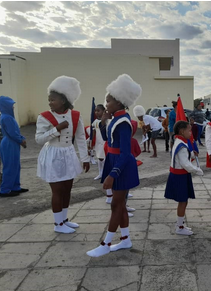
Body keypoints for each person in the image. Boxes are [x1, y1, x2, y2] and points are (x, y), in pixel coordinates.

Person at [87, 74, 142, 257]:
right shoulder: (116, 118)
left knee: (116, 205)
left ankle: (106, 243)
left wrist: (112, 174)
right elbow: (109, 139)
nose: (105, 104)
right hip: (114, 162)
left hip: (121, 166)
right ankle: (125, 240)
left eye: (108, 101)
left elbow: (126, 153)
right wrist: (104, 120)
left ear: (119, 102)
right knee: (119, 205)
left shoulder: (123, 122)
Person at [35, 76, 90, 233]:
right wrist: (56, 129)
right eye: (49, 100)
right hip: (53, 155)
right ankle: (58, 224)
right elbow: (39, 139)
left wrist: (85, 158)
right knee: (57, 190)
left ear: (64, 101)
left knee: (67, 188)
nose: (50, 103)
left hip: (68, 154)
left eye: (53, 100)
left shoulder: (75, 115)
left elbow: (80, 138)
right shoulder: (44, 116)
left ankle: (64, 219)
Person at [164, 120, 204, 236]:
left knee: (184, 201)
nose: (191, 133)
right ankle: (179, 227)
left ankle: (180, 224)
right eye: (189, 130)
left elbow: (184, 155)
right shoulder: (181, 145)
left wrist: (192, 154)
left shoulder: (180, 141)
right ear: (182, 131)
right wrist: (197, 170)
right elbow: (185, 164)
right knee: (183, 201)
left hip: (180, 175)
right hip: (180, 176)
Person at [0, 96, 28, 197]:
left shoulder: (7, 116)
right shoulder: (7, 117)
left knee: (15, 165)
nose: (13, 107)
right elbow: (12, 133)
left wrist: (21, 138)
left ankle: (15, 187)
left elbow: (14, 132)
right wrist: (21, 140)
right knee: (10, 166)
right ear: (5, 106)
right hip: (9, 143)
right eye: (11, 105)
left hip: (11, 143)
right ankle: (5, 189)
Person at [91, 104, 106, 180]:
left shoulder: (106, 121)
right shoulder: (95, 122)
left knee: (105, 158)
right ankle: (100, 173)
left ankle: (106, 173)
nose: (96, 112)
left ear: (103, 111)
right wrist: (91, 141)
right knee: (99, 158)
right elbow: (94, 132)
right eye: (95, 111)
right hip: (98, 142)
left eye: (98, 111)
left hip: (104, 142)